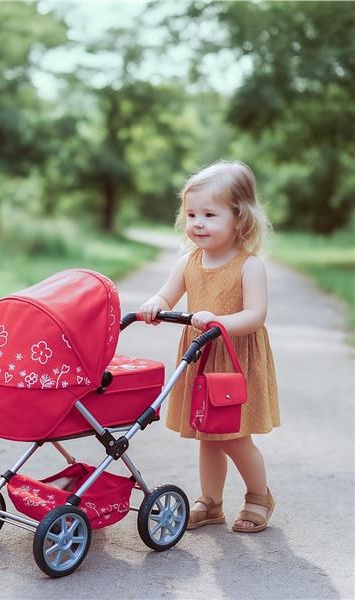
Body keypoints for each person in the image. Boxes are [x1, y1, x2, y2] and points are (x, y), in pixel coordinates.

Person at [139, 160, 280, 533]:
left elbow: (255, 316)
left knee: (235, 437)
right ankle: (211, 502)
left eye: (209, 215)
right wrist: (155, 304)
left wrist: (220, 321)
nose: (197, 223)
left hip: (234, 359)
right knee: (207, 435)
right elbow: (167, 295)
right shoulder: (189, 262)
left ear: (239, 218)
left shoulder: (249, 266)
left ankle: (259, 496)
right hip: (201, 356)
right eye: (191, 214)